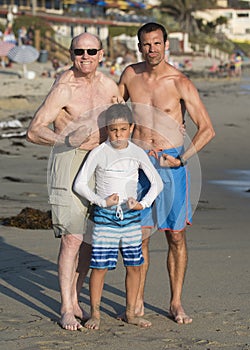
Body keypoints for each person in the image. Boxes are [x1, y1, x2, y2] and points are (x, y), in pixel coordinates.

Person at [118, 22, 215, 324]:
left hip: (170, 164)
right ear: (139, 47)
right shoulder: (130, 76)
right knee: (140, 237)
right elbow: (111, 112)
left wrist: (183, 158)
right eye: (146, 44)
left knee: (175, 235)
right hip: (137, 165)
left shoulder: (179, 82)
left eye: (157, 43)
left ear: (166, 44)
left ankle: (175, 302)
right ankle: (137, 302)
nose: (152, 49)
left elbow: (207, 129)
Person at [26, 32, 122, 331]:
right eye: (79, 51)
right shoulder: (63, 88)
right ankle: (66, 307)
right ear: (71, 54)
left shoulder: (109, 86)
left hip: (101, 162)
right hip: (69, 161)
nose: (85, 56)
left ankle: (76, 296)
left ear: (102, 54)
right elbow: (33, 130)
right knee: (72, 237)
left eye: (91, 51)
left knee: (92, 239)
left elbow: (123, 120)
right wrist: (64, 139)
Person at [73, 103, 163, 329]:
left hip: (131, 218)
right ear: (107, 129)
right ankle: (95, 313)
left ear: (131, 128)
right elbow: (80, 184)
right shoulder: (100, 152)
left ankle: (131, 313)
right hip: (105, 217)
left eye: (123, 130)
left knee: (134, 265)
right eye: (113, 130)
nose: (118, 134)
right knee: (100, 266)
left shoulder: (136, 152)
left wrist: (142, 204)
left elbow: (157, 183)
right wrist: (101, 201)